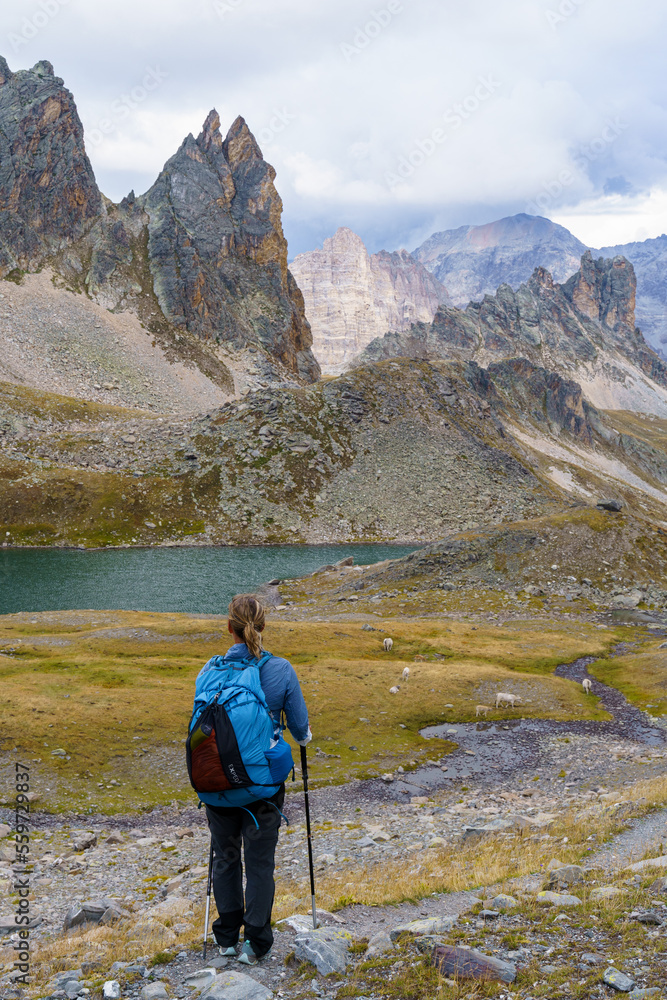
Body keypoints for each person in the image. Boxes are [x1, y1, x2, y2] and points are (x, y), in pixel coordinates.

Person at [191, 594, 311, 966]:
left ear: (229, 627)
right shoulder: (280, 669)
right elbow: (302, 730)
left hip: (215, 787)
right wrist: (298, 739)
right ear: (262, 627)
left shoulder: (208, 672)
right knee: (260, 864)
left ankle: (226, 938)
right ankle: (255, 943)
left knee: (225, 859)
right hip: (261, 789)